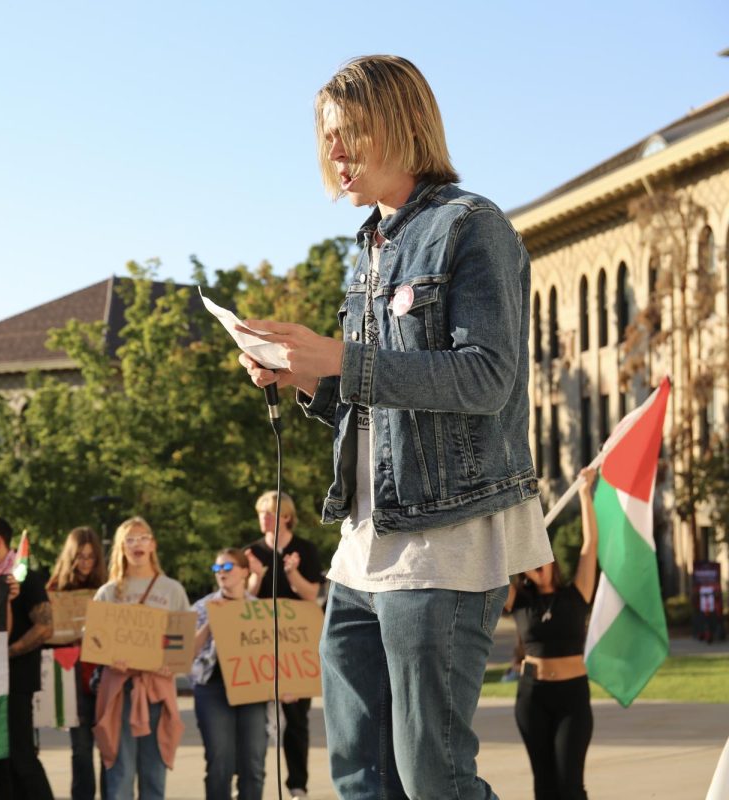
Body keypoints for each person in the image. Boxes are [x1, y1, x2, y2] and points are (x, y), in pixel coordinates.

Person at [238, 55, 553, 799]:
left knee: (433, 780)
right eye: (328, 139)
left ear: (401, 125)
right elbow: (372, 408)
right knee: (359, 776)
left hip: (444, 547)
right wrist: (308, 378)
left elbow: (485, 378)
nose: (335, 155)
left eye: (351, 134)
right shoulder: (366, 251)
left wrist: (343, 359)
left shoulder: (471, 228)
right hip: (361, 552)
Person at [506, 466, 599, 800]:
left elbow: (590, 544)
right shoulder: (519, 601)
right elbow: (494, 569)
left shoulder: (576, 595)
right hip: (533, 698)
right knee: (544, 788)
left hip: (572, 698)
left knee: (570, 786)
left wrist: (585, 494)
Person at [92, 517, 189, 800]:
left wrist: (170, 661)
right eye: (130, 539)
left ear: (153, 544)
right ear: (121, 548)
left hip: (158, 691)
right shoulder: (108, 592)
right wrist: (109, 658)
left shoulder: (172, 590)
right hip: (119, 692)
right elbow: (96, 639)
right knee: (119, 775)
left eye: (143, 537)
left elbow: (181, 637)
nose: (137, 544)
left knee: (153, 776)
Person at [0, 516, 55, 800]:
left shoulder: (25, 577)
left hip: (16, 684)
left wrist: (7, 653)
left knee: (21, 757)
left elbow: (44, 627)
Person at [244, 490, 323, 798]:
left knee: (295, 720)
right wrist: (255, 577)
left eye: (271, 512)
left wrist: (292, 575)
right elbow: (244, 602)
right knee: (254, 719)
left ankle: (297, 786)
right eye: (261, 511)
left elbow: (310, 595)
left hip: (295, 647)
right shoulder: (250, 552)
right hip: (258, 646)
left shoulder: (305, 549)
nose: (264, 517)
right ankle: (253, 785)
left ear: (286, 516)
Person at [191, 548, 267, 800]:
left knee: (253, 764)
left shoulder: (259, 610)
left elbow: (273, 653)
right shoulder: (202, 607)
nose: (221, 573)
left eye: (227, 567)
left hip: (252, 691)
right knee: (219, 763)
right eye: (217, 568)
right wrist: (211, 621)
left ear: (245, 571)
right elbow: (188, 652)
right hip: (212, 689)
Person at [45, 526, 108, 800]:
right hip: (72, 676)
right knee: (81, 750)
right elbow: (46, 634)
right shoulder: (54, 590)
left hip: (105, 675)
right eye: (80, 556)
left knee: (109, 748)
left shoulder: (108, 588)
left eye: (91, 557)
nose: (85, 562)